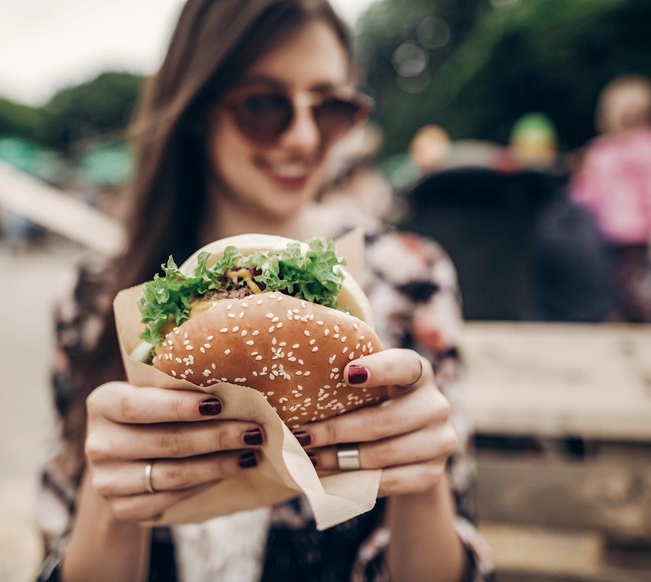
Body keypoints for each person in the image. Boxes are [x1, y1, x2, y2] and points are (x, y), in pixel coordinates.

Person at [36, 1, 493, 580]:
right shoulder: (94, 301)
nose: (303, 138)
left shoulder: (410, 279)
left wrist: (422, 483)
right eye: (263, 104)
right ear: (198, 108)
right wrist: (111, 501)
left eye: (329, 108)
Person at [571, 75, 651, 321]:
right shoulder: (602, 152)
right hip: (609, 234)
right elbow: (588, 191)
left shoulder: (645, 148)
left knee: (633, 283)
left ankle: (645, 317)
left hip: (634, 235)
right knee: (621, 283)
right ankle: (633, 316)